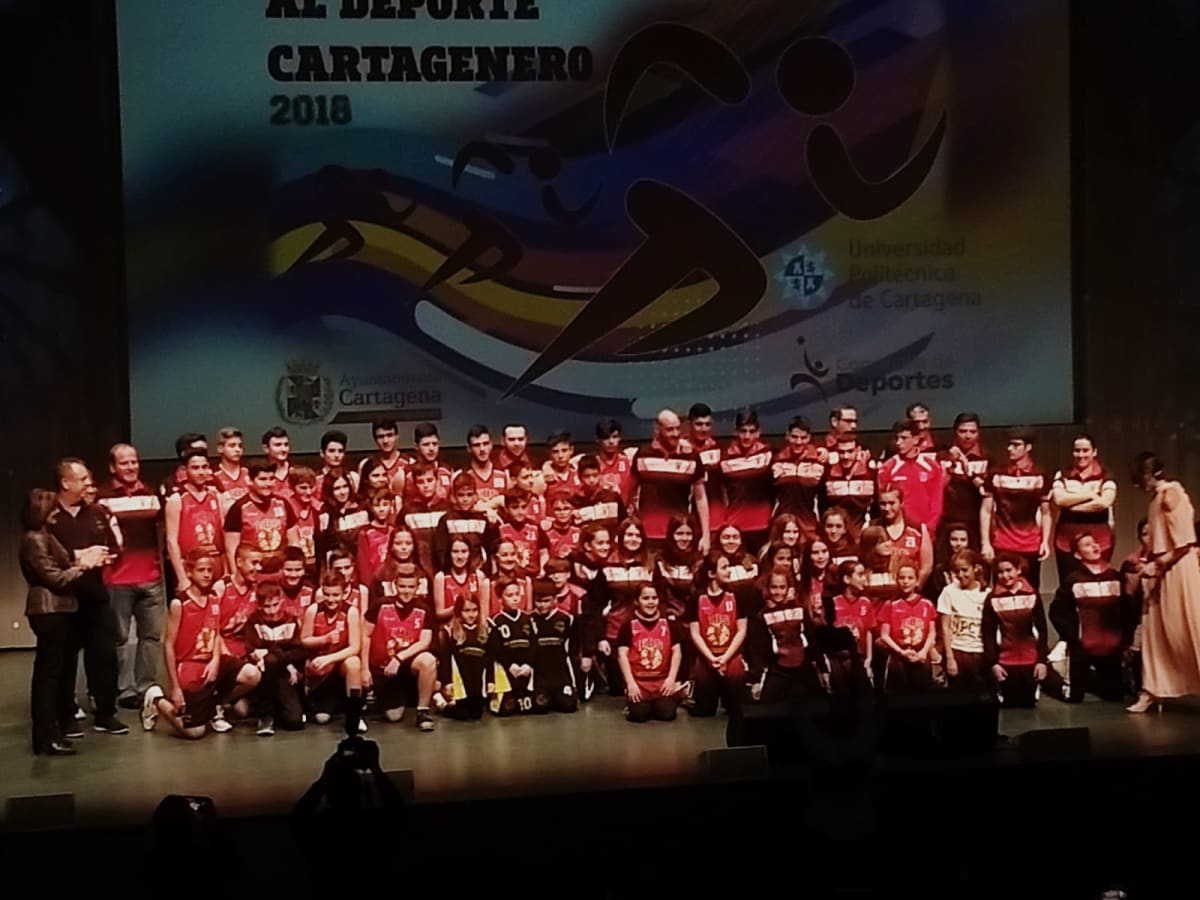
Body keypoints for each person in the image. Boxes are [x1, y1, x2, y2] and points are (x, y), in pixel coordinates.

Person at [21, 489, 109, 755]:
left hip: (58, 610)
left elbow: (64, 561)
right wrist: (84, 566)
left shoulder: (45, 537)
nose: (57, 513)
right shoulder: (34, 540)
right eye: (53, 510)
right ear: (44, 513)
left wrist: (85, 557)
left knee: (53, 675)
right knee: (48, 676)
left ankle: (50, 733)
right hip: (49, 611)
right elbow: (56, 578)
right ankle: (46, 736)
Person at [141, 548, 261, 739]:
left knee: (252, 675)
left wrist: (215, 660)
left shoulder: (214, 598)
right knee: (195, 732)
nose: (206, 574)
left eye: (209, 570)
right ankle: (156, 699)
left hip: (210, 662)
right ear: (189, 572)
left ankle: (213, 707)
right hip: (189, 668)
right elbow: (168, 645)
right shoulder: (180, 604)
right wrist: (175, 687)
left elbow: (216, 632)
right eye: (201, 570)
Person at [46, 458, 128, 735]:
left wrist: (102, 556)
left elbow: (115, 546)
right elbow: (42, 555)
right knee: (64, 659)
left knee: (104, 655)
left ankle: (106, 713)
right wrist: (78, 557)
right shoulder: (48, 516)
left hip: (95, 594)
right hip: (64, 598)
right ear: (65, 482)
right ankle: (65, 715)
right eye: (81, 480)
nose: (87, 485)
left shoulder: (96, 512)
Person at [1126, 453, 1200, 711]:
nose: (1141, 484)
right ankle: (1153, 690)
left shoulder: (1171, 494)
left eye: (1142, 477)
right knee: (1155, 632)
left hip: (1178, 570)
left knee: (1188, 629)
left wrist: (1157, 565)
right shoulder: (1157, 498)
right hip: (1162, 569)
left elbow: (1184, 543)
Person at [97, 443, 164, 710]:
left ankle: (145, 688)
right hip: (118, 580)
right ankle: (123, 690)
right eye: (124, 463)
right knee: (120, 638)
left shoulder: (151, 493)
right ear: (113, 467)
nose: (131, 467)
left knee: (151, 637)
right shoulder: (101, 497)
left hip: (151, 576)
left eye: (134, 462)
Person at [1044, 533, 1134, 704]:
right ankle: (1053, 679)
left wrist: (1125, 640)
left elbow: (1128, 611)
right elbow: (1056, 612)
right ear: (1078, 554)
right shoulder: (1073, 581)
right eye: (1087, 544)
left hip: (1112, 647)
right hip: (1083, 647)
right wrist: (1074, 637)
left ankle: (1095, 681)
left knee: (1115, 697)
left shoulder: (1115, 577)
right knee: (1074, 698)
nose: (1094, 546)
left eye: (1095, 543)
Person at [362, 564, 437, 731]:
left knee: (428, 660)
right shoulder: (379, 605)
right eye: (402, 586)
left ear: (418, 587)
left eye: (411, 586)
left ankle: (423, 712)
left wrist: (399, 658)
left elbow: (425, 641)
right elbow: (365, 636)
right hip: (383, 669)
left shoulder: (424, 609)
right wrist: (364, 669)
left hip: (406, 666)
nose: (406, 591)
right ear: (394, 585)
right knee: (393, 717)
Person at [980, 427, 1052, 593]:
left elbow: (1046, 512)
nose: (1009, 449)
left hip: (1030, 543)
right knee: (1000, 591)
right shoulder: (995, 474)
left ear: (1028, 447)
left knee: (1031, 591)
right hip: (1002, 542)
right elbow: (985, 510)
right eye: (1009, 445)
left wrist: (1045, 541)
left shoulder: (1040, 475)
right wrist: (986, 543)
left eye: (1016, 445)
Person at [632, 409, 711, 552]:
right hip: (647, 536)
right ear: (657, 429)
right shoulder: (642, 454)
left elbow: (701, 498)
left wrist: (706, 535)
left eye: (677, 428)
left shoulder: (691, 456)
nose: (675, 434)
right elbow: (628, 495)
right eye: (669, 429)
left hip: (680, 537)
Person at [982, 553, 1048, 708]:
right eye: (1000, 572)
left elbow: (1042, 629)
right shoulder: (992, 599)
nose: (1005, 576)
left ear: (1018, 570)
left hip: (1030, 661)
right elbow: (988, 634)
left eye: (1009, 570)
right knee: (1010, 706)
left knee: (1028, 705)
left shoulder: (1032, 594)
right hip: (1005, 662)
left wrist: (1041, 661)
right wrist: (993, 664)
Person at [686, 554, 748, 717]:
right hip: (707, 656)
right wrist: (712, 658)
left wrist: (725, 658)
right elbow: (695, 633)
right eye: (724, 567)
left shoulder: (738, 595)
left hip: (731, 655)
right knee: (704, 711)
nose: (729, 571)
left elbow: (742, 630)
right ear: (711, 574)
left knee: (736, 708)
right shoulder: (696, 598)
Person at [746, 570, 820, 702]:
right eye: (774, 587)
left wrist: (821, 667)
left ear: (789, 588)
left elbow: (813, 640)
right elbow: (756, 649)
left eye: (782, 587)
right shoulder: (762, 616)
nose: (778, 592)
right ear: (768, 589)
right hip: (777, 670)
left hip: (803, 668)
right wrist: (757, 678)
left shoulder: (801, 610)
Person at [1051, 434, 1118, 583]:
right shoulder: (1062, 474)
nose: (1081, 455)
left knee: (1098, 582)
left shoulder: (1106, 475)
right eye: (1077, 451)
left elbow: (1104, 503)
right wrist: (1090, 494)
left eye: (1085, 450)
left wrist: (1072, 505)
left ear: (1094, 452)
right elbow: (1060, 499)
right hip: (1065, 542)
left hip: (1100, 540)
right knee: (1068, 584)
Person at [302, 573, 364, 729]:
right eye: (327, 594)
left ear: (343, 593)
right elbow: (305, 640)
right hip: (321, 672)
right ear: (322, 592)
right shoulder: (313, 610)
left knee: (354, 663)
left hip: (339, 665)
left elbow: (354, 647)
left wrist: (329, 659)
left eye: (336, 595)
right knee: (322, 719)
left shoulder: (351, 612)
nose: (331, 599)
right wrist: (324, 639)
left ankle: (355, 715)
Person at [244, 580, 306, 736]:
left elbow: (299, 651)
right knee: (269, 661)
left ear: (282, 601)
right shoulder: (253, 621)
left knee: (294, 722)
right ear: (258, 604)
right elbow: (252, 650)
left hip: (285, 675)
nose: (271, 611)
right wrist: (285, 661)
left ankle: (282, 708)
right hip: (265, 674)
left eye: (275, 605)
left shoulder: (290, 620)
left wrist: (283, 661)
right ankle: (265, 715)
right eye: (266, 606)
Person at [616, 583, 685, 722]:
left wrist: (671, 679)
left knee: (666, 714)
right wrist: (630, 683)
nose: (651, 602)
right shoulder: (628, 626)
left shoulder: (669, 624)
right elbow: (621, 655)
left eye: (654, 598)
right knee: (639, 716)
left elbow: (677, 652)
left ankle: (673, 697)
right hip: (639, 683)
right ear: (637, 601)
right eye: (646, 598)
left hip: (662, 682)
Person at [223, 462, 299, 574]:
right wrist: (236, 579)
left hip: (280, 574)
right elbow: (231, 550)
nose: (268, 484)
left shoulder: (283, 503)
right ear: (250, 481)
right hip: (252, 575)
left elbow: (294, 542)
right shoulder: (238, 508)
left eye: (271, 478)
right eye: (262, 479)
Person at [164, 449, 225, 589]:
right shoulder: (176, 500)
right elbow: (171, 542)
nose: (201, 472)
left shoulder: (217, 496)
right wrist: (182, 578)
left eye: (204, 467)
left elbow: (225, 537)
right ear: (185, 470)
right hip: (190, 567)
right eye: (195, 468)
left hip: (216, 563)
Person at [720, 408, 774, 554]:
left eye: (751, 431)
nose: (747, 436)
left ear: (758, 432)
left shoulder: (769, 455)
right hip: (735, 529)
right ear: (735, 432)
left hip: (764, 527)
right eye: (743, 431)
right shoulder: (724, 459)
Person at [876, 418, 944, 536]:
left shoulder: (932, 467)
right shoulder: (887, 468)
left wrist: (929, 529)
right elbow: (884, 503)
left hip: (925, 531)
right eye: (897, 438)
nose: (898, 442)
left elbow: (937, 502)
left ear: (915, 439)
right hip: (896, 532)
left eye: (904, 438)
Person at [878, 563, 938, 693]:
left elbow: (932, 632)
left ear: (917, 581)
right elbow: (884, 635)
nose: (905, 581)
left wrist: (924, 652)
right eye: (902, 577)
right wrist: (901, 652)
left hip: (921, 657)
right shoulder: (890, 604)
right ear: (897, 580)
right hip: (898, 659)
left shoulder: (927, 604)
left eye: (910, 578)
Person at [937, 549, 990, 692]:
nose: (961, 575)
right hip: (958, 651)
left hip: (979, 652)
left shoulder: (987, 594)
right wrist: (949, 658)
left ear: (976, 568)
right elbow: (945, 628)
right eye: (956, 571)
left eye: (965, 570)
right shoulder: (949, 592)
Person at [937, 412, 989, 553]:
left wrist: (968, 471)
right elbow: (936, 490)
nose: (967, 436)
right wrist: (949, 467)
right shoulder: (941, 457)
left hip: (974, 523)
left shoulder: (987, 458)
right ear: (955, 433)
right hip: (946, 521)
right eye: (963, 431)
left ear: (978, 433)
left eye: (972, 432)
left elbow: (986, 492)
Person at [771, 416, 826, 541]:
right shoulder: (776, 460)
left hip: (809, 527)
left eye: (803, 437)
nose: (798, 442)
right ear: (787, 436)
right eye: (794, 437)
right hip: (782, 527)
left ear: (809, 438)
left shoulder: (819, 461)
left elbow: (823, 499)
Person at [487, 577, 537, 716]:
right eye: (509, 595)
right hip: (507, 669)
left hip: (526, 669)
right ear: (500, 598)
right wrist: (510, 665)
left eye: (517, 594)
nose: (515, 598)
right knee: (506, 709)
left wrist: (529, 664)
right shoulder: (495, 621)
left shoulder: (528, 619)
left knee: (532, 707)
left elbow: (533, 644)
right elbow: (495, 650)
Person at [438, 592, 490, 720]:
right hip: (460, 681)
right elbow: (445, 660)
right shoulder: (450, 632)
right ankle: (442, 703)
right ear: (458, 611)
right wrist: (447, 682)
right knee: (463, 715)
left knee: (476, 714)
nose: (471, 614)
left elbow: (490, 659)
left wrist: (490, 681)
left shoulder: (486, 629)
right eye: (466, 610)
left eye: (474, 610)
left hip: (478, 681)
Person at [530, 580, 579, 713]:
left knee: (568, 706)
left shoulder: (566, 619)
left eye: (546, 601)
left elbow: (573, 646)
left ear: (555, 600)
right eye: (539, 601)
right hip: (540, 676)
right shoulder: (529, 619)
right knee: (540, 708)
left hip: (561, 674)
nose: (542, 605)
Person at [820, 433, 877, 542]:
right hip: (835, 537)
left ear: (858, 450)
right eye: (841, 452)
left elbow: (876, 509)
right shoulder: (828, 475)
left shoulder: (870, 475)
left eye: (850, 451)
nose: (845, 456)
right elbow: (822, 508)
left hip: (862, 536)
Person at [877, 487, 934, 590]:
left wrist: (914, 589)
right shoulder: (871, 528)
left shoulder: (918, 529)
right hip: (880, 593)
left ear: (901, 503)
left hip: (908, 593)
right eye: (883, 504)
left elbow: (926, 566)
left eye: (892, 503)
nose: (887, 508)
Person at [687, 403, 726, 539]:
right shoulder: (681, 451)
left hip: (717, 521)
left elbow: (725, 487)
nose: (704, 429)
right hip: (687, 524)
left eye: (707, 424)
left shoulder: (719, 450)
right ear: (689, 424)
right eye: (699, 424)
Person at [831, 560, 875, 677]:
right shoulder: (834, 603)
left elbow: (869, 632)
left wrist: (869, 658)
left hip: (860, 658)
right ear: (847, 579)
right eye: (860, 575)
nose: (864, 579)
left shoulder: (866, 602)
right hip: (839, 659)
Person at [654, 515, 701, 623]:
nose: (684, 538)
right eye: (679, 534)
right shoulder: (660, 560)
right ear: (671, 535)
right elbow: (660, 595)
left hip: (694, 621)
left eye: (688, 534)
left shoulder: (700, 561)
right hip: (667, 619)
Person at [434, 536, 490, 623]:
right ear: (449, 553)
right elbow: (439, 613)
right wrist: (460, 608)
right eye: (455, 552)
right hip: (450, 628)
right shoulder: (441, 577)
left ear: (470, 553)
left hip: (474, 627)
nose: (459, 556)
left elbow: (483, 610)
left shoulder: (479, 575)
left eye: (464, 551)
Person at [288, 465, 324, 579]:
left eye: (311, 487)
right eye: (303, 488)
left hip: (314, 566)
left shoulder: (318, 508)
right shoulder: (286, 508)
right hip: (294, 568)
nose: (308, 492)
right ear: (292, 487)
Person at [573, 454, 625, 533]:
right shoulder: (575, 501)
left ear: (600, 474)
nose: (591, 480)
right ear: (579, 477)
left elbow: (623, 522)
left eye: (595, 475)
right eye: (587, 476)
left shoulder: (612, 497)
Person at [461, 425, 509, 510]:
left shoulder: (503, 474)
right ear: (469, 448)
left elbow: (509, 506)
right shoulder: (462, 475)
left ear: (491, 445)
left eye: (485, 444)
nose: (482, 449)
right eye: (476, 445)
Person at [591, 418, 636, 504]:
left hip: (625, 512)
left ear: (620, 438)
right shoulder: (590, 462)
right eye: (606, 438)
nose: (611, 442)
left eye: (615, 437)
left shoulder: (629, 459)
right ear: (597, 439)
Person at [355, 490, 395, 587]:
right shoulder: (365, 533)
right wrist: (368, 585)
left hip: (393, 581)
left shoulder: (394, 530)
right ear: (371, 507)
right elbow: (363, 563)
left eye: (385, 504)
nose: (381, 509)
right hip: (374, 582)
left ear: (391, 505)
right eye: (377, 505)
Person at [358, 417, 405, 495]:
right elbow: (361, 495)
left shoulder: (409, 462)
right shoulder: (365, 464)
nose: (385, 441)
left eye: (389, 435)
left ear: (397, 436)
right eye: (381, 437)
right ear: (375, 439)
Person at [212, 427, 250, 507]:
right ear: (220, 449)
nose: (238, 449)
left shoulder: (249, 473)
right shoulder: (214, 476)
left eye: (240, 446)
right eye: (232, 446)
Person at [542, 430, 582, 499]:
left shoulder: (579, 472)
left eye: (564, 450)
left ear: (571, 450)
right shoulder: (543, 478)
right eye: (555, 452)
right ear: (549, 453)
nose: (560, 456)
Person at [315, 428, 355, 496]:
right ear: (322, 453)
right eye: (332, 451)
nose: (336, 455)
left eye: (340, 451)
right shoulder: (316, 480)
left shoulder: (352, 477)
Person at [262, 426, 295, 501]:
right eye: (278, 445)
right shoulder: (260, 475)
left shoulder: (297, 472)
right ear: (266, 448)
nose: (283, 449)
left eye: (286, 445)